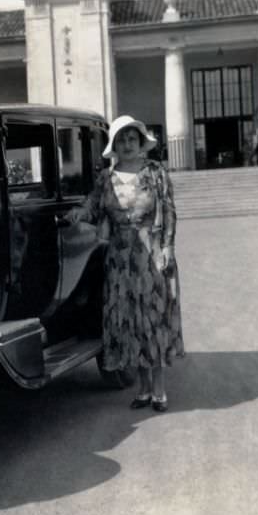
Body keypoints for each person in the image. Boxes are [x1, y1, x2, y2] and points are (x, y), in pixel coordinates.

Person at [68, 115, 184, 412]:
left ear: (141, 143)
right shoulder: (106, 178)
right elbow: (92, 205)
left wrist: (168, 247)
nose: (128, 144)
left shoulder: (156, 172)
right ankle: (143, 389)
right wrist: (76, 215)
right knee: (131, 323)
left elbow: (169, 212)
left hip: (152, 253)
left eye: (132, 139)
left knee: (153, 320)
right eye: (122, 140)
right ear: (114, 145)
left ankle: (159, 390)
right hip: (119, 258)